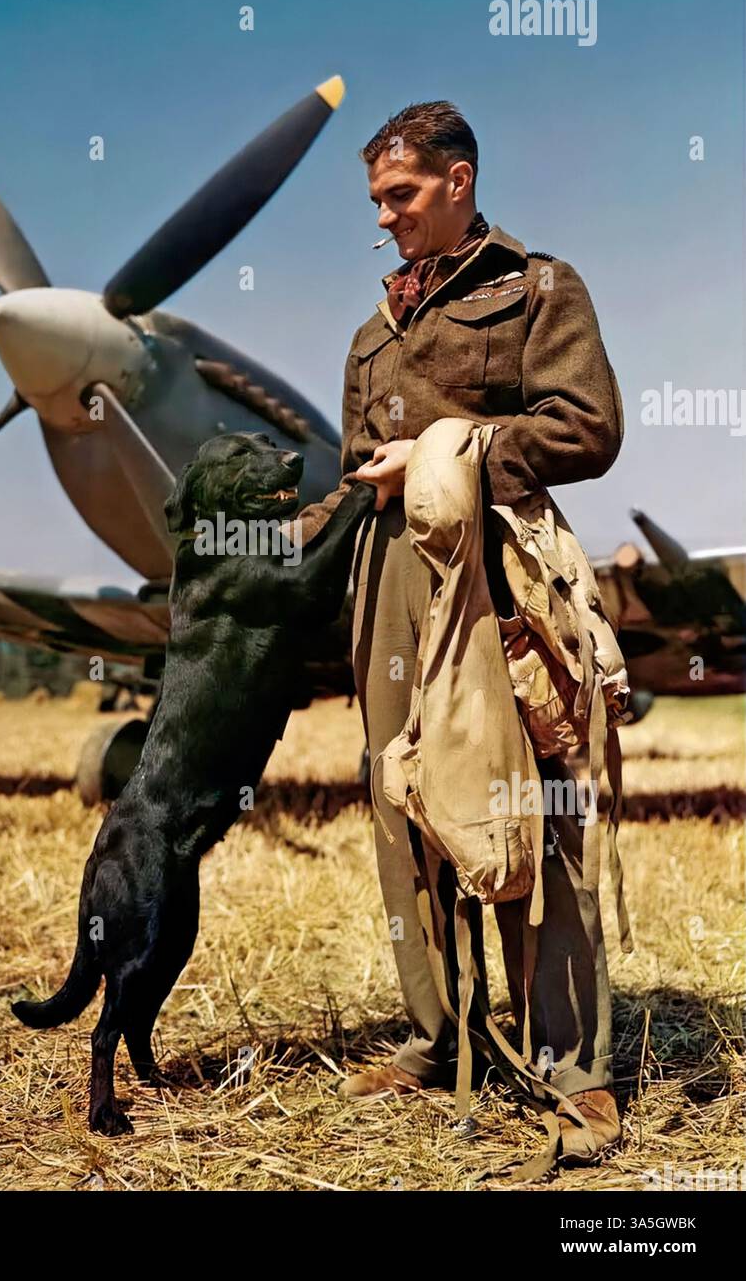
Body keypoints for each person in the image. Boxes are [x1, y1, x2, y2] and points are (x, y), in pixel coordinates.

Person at [292, 101, 625, 1162]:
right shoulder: (368, 336)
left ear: (459, 180)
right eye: (376, 201)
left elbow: (590, 426)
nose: (384, 218)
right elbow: (354, 477)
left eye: (401, 195)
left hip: (503, 567)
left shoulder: (537, 289)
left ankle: (572, 1066)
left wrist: (452, 447)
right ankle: (440, 1032)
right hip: (390, 576)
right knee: (407, 799)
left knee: (544, 798)